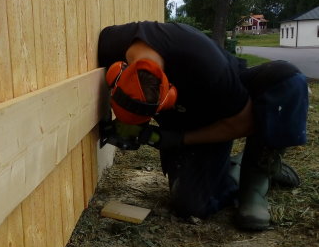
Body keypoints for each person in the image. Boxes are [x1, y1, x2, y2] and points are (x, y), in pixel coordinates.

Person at [98, 21, 308, 231]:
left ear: (169, 96)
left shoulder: (209, 67)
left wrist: (176, 139)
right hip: (185, 114)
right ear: (117, 73)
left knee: (288, 80)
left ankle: (256, 181)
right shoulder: (111, 43)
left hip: (222, 106)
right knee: (192, 205)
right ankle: (235, 169)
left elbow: (242, 124)